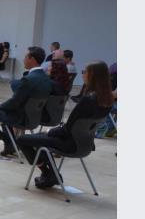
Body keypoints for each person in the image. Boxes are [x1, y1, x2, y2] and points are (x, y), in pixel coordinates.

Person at [17, 61, 113, 189]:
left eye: (85, 71)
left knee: (22, 140)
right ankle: (52, 174)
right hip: (85, 145)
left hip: (70, 144)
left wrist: (51, 132)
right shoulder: (107, 99)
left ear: (93, 76)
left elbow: (68, 129)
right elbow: (75, 126)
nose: (83, 74)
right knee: (41, 139)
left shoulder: (88, 100)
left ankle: (48, 173)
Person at [0, 47, 53, 157]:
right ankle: (10, 142)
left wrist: (1, 106)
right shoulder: (47, 79)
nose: (24, 59)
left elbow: (15, 102)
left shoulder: (29, 79)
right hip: (34, 117)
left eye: (26, 57)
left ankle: (8, 141)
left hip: (20, 117)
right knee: (3, 114)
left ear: (32, 59)